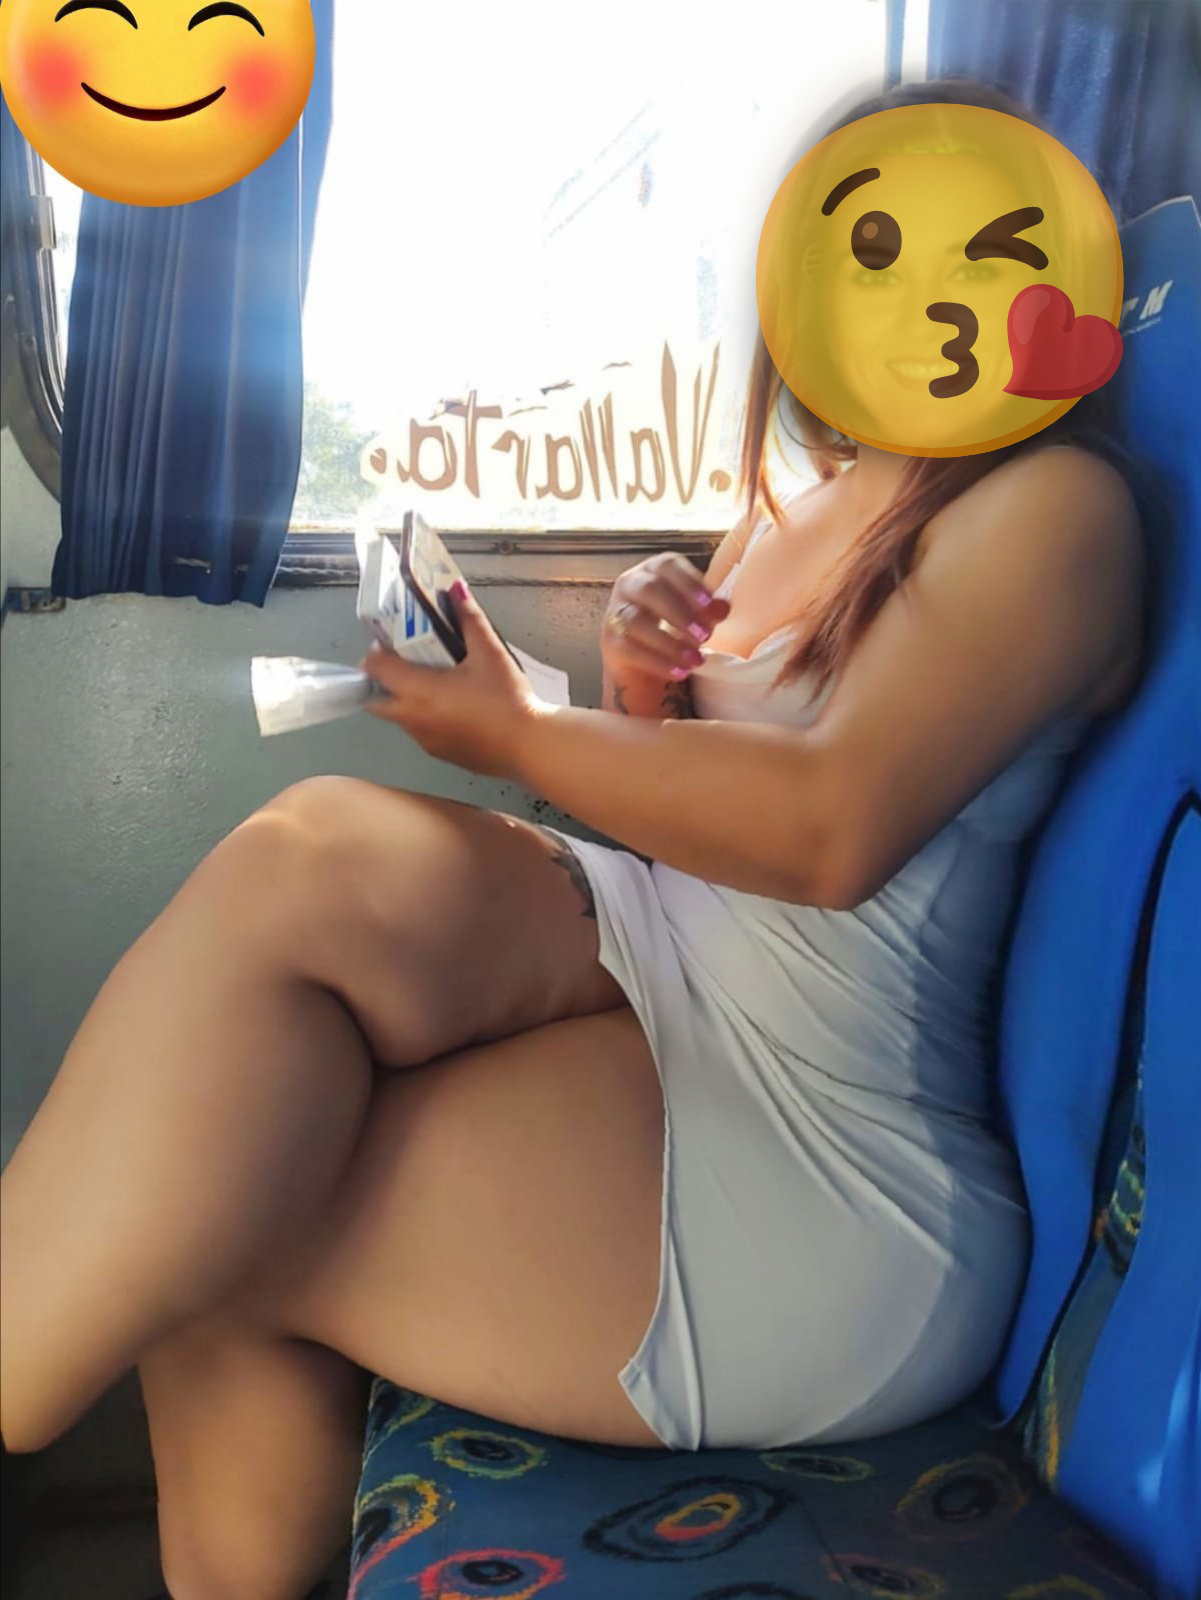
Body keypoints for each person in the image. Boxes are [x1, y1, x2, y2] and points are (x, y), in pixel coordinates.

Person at [0, 78, 1145, 1600]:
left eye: (985, 252)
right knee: (302, 872)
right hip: (673, 974)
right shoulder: (809, 498)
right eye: (874, 252)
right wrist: (636, 678)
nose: (930, 298)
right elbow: (695, 813)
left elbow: (830, 833)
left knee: (208, 1212)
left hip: (823, 1161)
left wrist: (524, 735)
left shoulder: (1053, 507)